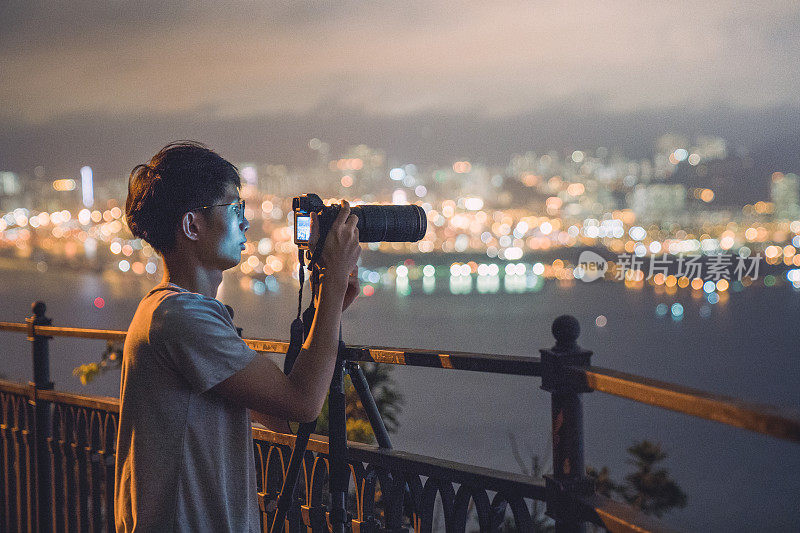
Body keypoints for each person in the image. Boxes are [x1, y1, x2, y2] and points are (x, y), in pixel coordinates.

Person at [115, 141, 360, 532]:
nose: (246, 223)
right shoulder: (182, 318)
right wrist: (331, 286)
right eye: (234, 209)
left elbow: (276, 416)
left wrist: (325, 307)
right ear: (192, 225)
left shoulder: (171, 312)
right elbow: (301, 404)